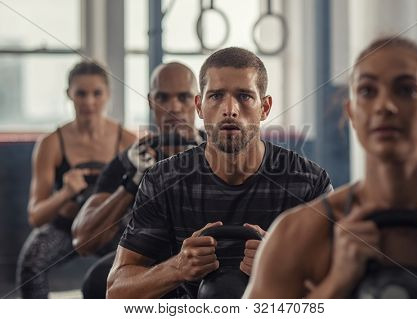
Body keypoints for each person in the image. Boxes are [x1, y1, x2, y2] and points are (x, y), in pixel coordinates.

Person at [106, 47, 333, 299]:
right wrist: (177, 268)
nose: (229, 109)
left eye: (245, 96)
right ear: (199, 106)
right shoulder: (162, 180)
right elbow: (116, 290)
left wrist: (283, 268)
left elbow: (343, 288)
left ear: (265, 107)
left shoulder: (308, 182)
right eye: (215, 96)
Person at [244, 36, 417, 298]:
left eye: (406, 90)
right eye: (367, 91)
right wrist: (335, 284)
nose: (384, 106)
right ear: (352, 112)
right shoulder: (297, 233)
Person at [71, 62, 206, 298]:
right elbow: (82, 239)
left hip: (207, 256)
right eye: (163, 97)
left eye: (183, 97)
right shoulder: (131, 160)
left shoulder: (221, 153)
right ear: (151, 101)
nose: (174, 106)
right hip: (148, 258)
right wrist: (133, 182)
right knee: (96, 282)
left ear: (198, 102)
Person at [16, 61, 136, 298]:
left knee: (143, 260)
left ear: (107, 95)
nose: (89, 101)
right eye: (81, 93)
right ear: (69, 94)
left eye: (96, 93)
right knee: (32, 263)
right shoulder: (51, 144)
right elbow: (36, 216)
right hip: (66, 227)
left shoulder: (126, 140)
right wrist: (65, 193)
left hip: (110, 226)